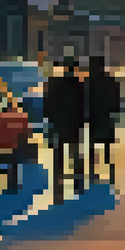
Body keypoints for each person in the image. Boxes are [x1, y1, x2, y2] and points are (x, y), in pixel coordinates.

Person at [43, 57, 86, 202]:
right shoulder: (79, 84)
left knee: (59, 155)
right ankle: (78, 183)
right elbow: (84, 106)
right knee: (75, 154)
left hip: (59, 124)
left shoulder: (54, 83)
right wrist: (83, 121)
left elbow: (47, 104)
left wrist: (50, 119)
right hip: (74, 124)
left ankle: (58, 183)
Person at [84, 56, 121, 181]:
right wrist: (115, 110)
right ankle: (109, 167)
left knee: (92, 143)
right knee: (107, 143)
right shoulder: (110, 80)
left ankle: (93, 170)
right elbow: (117, 97)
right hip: (106, 115)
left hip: (94, 116)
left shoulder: (88, 81)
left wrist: (85, 115)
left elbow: (84, 100)